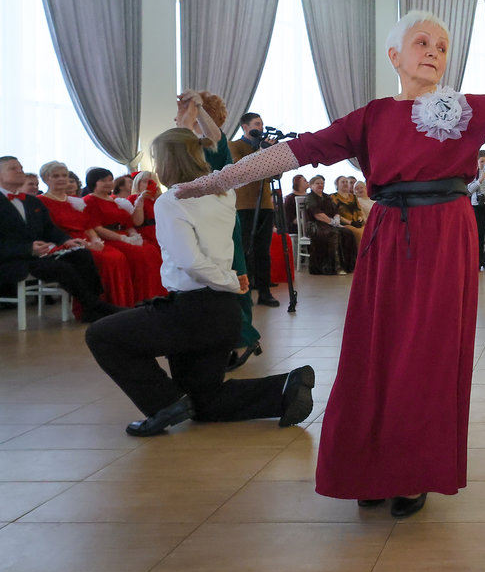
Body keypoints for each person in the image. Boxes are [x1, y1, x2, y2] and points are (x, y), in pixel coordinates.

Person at [173, 9, 485, 519]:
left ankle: (413, 470)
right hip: (389, 237)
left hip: (446, 237)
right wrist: (214, 181)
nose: (434, 51)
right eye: (422, 42)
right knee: (374, 352)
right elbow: (297, 152)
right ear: (394, 55)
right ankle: (370, 469)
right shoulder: (371, 116)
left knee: (428, 355)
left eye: (442, 46)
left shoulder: (464, 109)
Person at [84, 127, 315, 437]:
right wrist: (229, 281)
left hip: (193, 312)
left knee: (101, 336)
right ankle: (285, 388)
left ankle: (164, 405)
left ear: (167, 162)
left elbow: (191, 262)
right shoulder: (223, 193)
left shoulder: (172, 200)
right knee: (202, 402)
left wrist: (228, 280)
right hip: (224, 312)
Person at [175, 90, 263, 371]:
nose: (176, 118)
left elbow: (215, 136)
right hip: (197, 219)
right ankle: (217, 338)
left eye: (181, 112)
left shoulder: (212, 144)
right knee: (209, 278)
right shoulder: (189, 146)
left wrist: (197, 108)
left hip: (219, 220)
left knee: (232, 274)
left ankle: (243, 337)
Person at [0, 156, 121, 322]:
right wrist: (28, 249)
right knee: (62, 267)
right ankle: (95, 306)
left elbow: (50, 229)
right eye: (13, 168)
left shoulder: (31, 201)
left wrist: (66, 240)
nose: (20, 171)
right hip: (11, 260)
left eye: (21, 167)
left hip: (38, 256)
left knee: (82, 255)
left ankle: (92, 306)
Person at [38, 160, 135, 308]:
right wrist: (83, 243)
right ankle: (96, 305)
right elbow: (48, 230)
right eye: (56, 176)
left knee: (118, 256)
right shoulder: (41, 201)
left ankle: (119, 303)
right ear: (46, 179)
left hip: (86, 238)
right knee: (106, 260)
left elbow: (88, 226)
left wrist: (96, 240)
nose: (61, 179)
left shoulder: (75, 201)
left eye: (64, 175)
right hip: (64, 242)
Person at [83, 167, 166, 303]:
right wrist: (123, 238)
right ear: (93, 182)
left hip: (124, 235)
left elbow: (128, 223)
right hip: (109, 238)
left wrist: (134, 235)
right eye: (103, 180)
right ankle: (139, 297)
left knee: (150, 250)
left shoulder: (116, 200)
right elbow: (97, 228)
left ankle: (155, 294)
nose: (108, 183)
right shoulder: (89, 200)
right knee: (139, 255)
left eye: (110, 180)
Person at [229, 112, 278, 308]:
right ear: (245, 127)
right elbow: (241, 169)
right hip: (244, 206)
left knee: (263, 252)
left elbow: (276, 174)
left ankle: (265, 292)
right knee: (245, 250)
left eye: (262, 124)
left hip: (265, 204)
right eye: (257, 124)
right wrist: (261, 152)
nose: (261, 128)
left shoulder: (263, 147)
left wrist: (271, 154)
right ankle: (244, 293)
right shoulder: (234, 146)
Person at [304, 174, 357, 275]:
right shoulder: (310, 198)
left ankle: (348, 266)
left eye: (322, 183)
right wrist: (331, 222)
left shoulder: (327, 197)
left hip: (329, 223)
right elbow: (318, 215)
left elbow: (335, 210)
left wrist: (336, 218)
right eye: (317, 183)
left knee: (348, 233)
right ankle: (334, 267)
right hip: (316, 225)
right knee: (333, 234)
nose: (320, 185)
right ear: (311, 185)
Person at [128, 171, 161, 246]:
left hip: (160, 233)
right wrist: (140, 200)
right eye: (146, 181)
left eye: (152, 182)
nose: (148, 184)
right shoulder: (133, 198)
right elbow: (137, 222)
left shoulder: (160, 199)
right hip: (144, 236)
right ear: (138, 183)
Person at [331, 176, 365, 246]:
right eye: (343, 182)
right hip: (344, 224)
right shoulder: (333, 197)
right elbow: (335, 214)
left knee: (369, 230)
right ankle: (360, 252)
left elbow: (358, 210)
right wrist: (350, 222)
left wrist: (360, 218)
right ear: (337, 184)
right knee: (359, 233)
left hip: (356, 222)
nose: (345, 184)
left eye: (346, 182)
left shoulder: (353, 196)